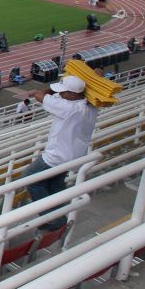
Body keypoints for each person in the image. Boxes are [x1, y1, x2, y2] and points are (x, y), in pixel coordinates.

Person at [27, 75, 99, 231]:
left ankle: (54, 220)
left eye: (64, 92)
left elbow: (40, 95)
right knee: (55, 185)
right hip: (73, 156)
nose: (60, 94)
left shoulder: (69, 108)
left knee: (30, 178)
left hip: (56, 156)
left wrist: (50, 89)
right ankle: (57, 217)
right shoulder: (91, 107)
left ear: (74, 94)